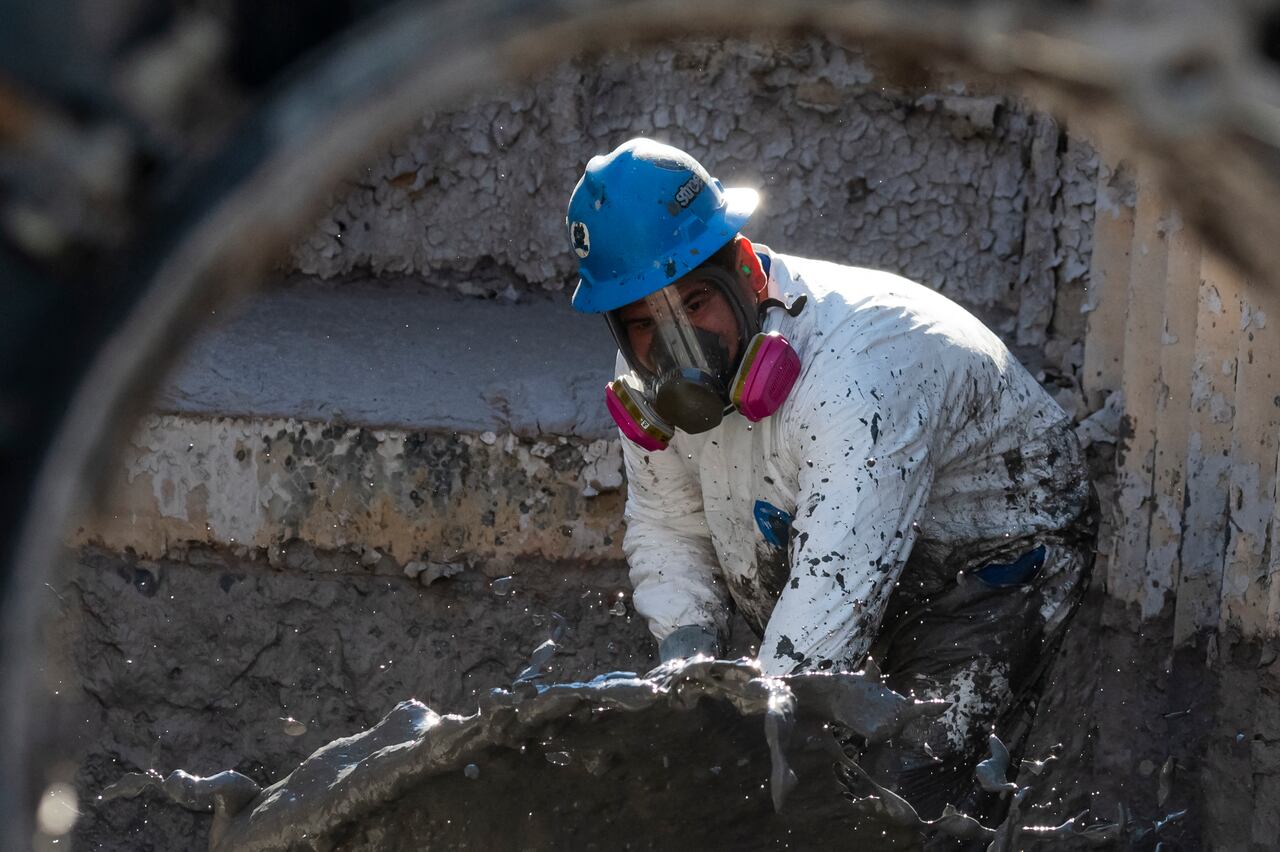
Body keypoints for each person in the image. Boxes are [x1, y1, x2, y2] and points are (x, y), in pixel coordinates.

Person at [565, 137, 1096, 816]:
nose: (675, 346)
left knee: (903, 797)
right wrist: (686, 670)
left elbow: (832, 599)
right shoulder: (646, 383)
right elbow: (669, 521)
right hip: (847, 535)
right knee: (805, 771)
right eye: (644, 322)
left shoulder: (862, 371)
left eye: (695, 305)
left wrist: (751, 740)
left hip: (997, 557)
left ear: (750, 273)